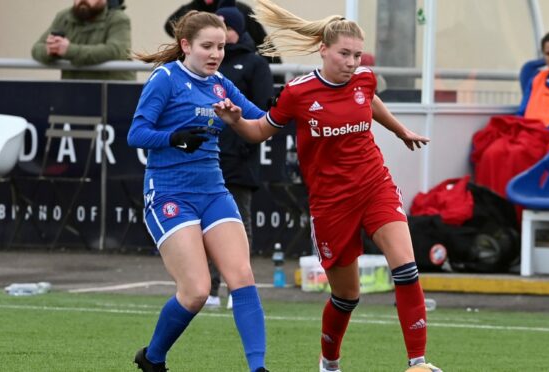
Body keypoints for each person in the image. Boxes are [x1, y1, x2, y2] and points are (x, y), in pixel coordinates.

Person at [213, 1, 442, 371]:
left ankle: (417, 362)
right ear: (324, 50)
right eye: (344, 54)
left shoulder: (363, 80)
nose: (352, 62)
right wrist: (234, 121)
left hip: (375, 186)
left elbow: (371, 101)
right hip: (331, 204)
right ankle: (329, 363)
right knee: (346, 295)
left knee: (406, 268)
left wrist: (400, 131)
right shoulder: (298, 93)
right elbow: (260, 131)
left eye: (356, 55)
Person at [127, 10, 268, 372]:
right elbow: (136, 134)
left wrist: (296, 106)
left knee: (242, 277)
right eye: (207, 46)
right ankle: (153, 358)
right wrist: (173, 138)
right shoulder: (166, 79)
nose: (215, 54)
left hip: (213, 192)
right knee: (196, 292)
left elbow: (260, 121)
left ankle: (258, 369)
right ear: (185, 45)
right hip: (170, 194)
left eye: (220, 46)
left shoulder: (220, 82)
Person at [205, 0, 275, 308]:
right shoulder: (206, 64)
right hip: (207, 159)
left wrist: (242, 146)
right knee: (205, 224)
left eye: (228, 29)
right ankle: (208, 289)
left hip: (239, 161)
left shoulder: (255, 64)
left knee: (237, 223)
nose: (222, 37)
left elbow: (261, 111)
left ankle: (239, 289)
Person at [472, 24, 549, 199]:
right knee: (492, 153)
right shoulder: (536, 79)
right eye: (548, 54)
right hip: (527, 132)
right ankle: (495, 210)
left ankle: (518, 209)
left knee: (518, 155)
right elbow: (522, 112)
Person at [31, 0, 136, 80]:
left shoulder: (119, 19)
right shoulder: (64, 17)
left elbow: (116, 51)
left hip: (112, 95)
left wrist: (69, 50)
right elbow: (37, 48)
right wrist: (51, 50)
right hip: (74, 93)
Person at [163, 0, 282, 66]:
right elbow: (170, 25)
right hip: (204, 66)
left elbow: (264, 44)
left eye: (228, 28)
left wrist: (278, 76)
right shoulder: (192, 9)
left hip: (239, 65)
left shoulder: (240, 11)